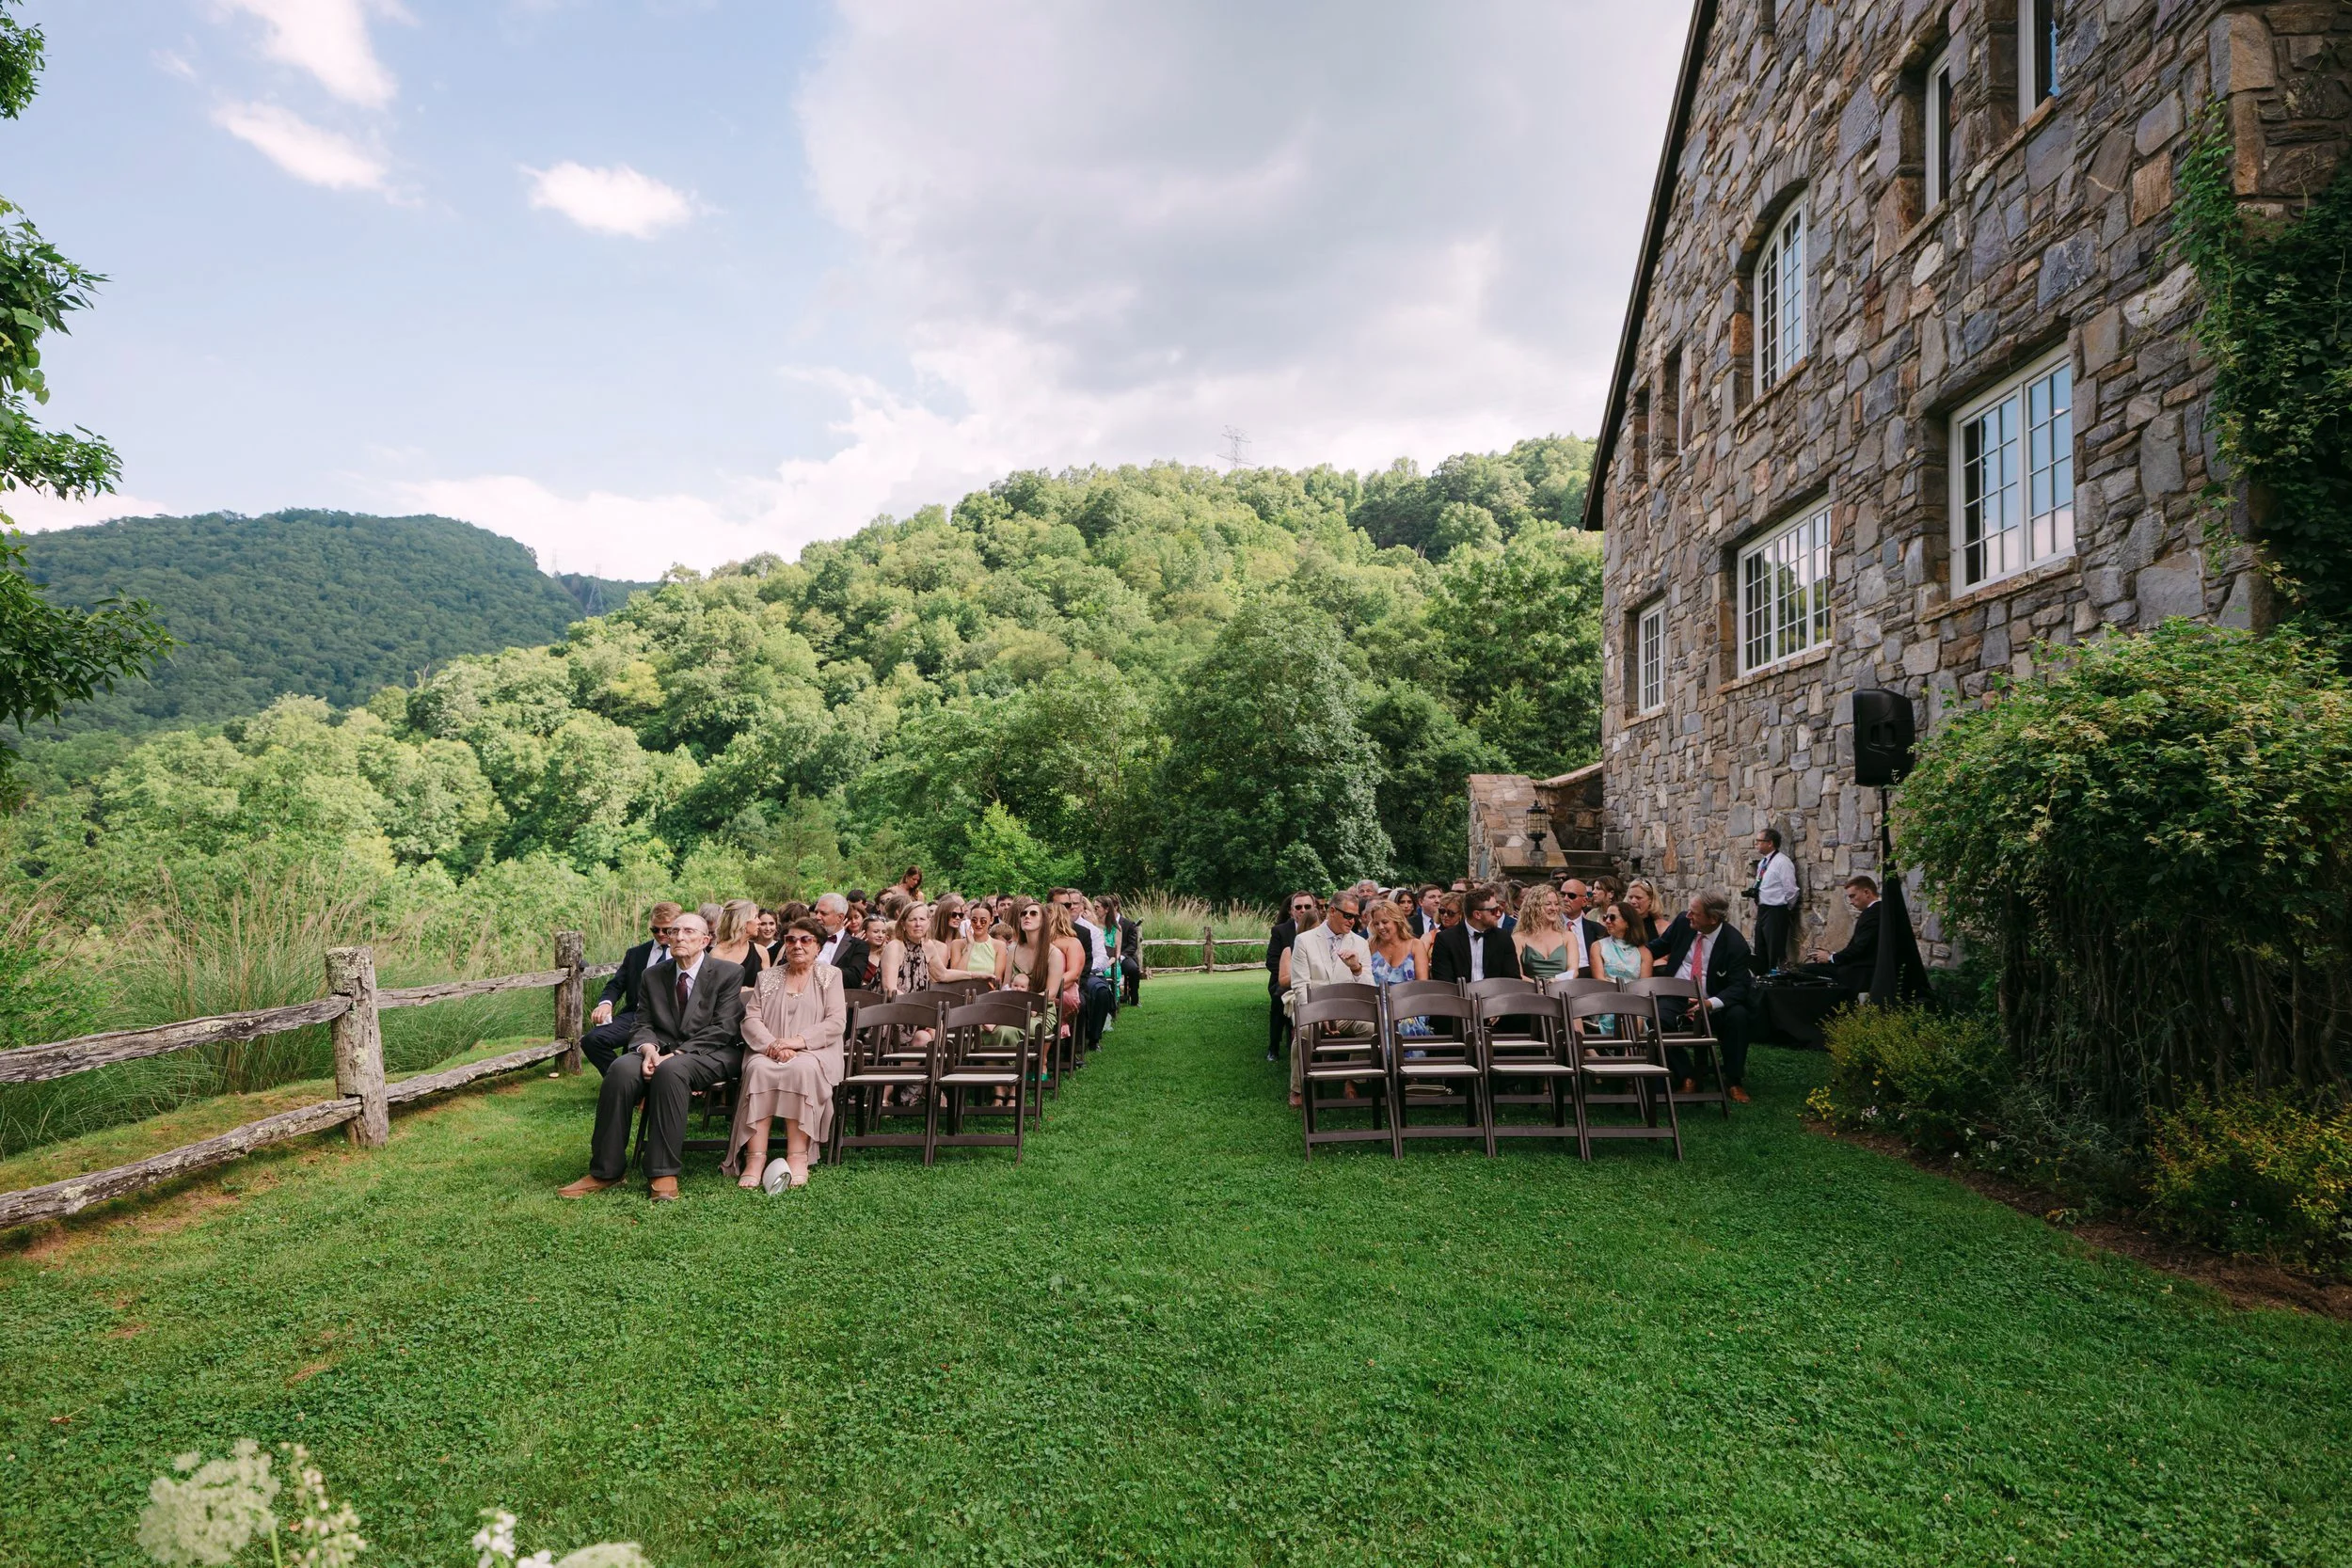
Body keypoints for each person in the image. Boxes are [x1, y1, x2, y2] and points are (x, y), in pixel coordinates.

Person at [559, 911, 744, 1202]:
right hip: (659, 1049)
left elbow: (724, 1028)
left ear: (705, 941)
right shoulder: (653, 975)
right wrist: (648, 1050)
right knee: (620, 1070)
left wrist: (676, 1054)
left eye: (688, 932)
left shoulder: (728, 973)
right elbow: (642, 1023)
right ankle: (606, 1171)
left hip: (712, 1051)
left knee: (672, 1072)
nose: (679, 936)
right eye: (674, 931)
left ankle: (662, 1171)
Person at [723, 917, 845, 1193]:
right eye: (791, 940)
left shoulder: (830, 976)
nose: (797, 945)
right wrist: (773, 1046)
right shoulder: (767, 978)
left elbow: (836, 1022)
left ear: (818, 947)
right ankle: (755, 1158)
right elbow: (751, 1019)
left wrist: (796, 1043)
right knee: (758, 1070)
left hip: (815, 1051)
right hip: (768, 1050)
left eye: (805, 940)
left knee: (801, 1070)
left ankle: (797, 1156)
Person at [1655, 891, 1756, 1101]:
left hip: (1713, 998)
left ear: (1713, 919)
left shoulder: (1735, 945)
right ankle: (1686, 1074)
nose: (1688, 916)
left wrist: (1709, 1003)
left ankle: (1734, 1079)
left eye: (1695, 913)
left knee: (1738, 1016)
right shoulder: (1684, 923)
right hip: (1676, 992)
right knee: (1657, 1017)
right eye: (1689, 910)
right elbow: (1659, 946)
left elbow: (1739, 986)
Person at [1281, 890, 1373, 1106]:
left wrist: (1357, 969)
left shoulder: (1360, 944)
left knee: (1371, 1027)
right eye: (1348, 915)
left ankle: (1352, 1079)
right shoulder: (1304, 940)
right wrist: (1317, 1015)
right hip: (1313, 1008)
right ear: (1332, 911)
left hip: (1347, 1011)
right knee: (1303, 1031)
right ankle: (1298, 1087)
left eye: (1356, 917)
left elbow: (1369, 990)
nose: (1353, 921)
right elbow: (1300, 986)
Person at [581, 903, 679, 1073]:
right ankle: (624, 1081)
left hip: (674, 1019)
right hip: (638, 1014)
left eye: (667, 930)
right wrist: (606, 1003)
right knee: (592, 1040)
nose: (661, 934)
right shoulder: (636, 953)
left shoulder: (689, 954)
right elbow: (616, 984)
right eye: (655, 930)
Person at [1363, 901, 1432, 1041]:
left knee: (1405, 1025)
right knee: (1381, 1024)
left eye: (1385, 922)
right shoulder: (1370, 945)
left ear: (1397, 921)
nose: (1381, 927)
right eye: (1376, 924)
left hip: (1410, 1007)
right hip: (1377, 1008)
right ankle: (1384, 1062)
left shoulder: (1415, 945)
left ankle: (1402, 1062)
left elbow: (1422, 986)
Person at [1803, 875, 1883, 991]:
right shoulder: (1877, 911)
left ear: (1866, 892)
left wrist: (1831, 957)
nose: (1851, 902)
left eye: (1853, 896)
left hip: (1862, 970)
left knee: (1806, 971)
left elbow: (1861, 948)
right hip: (1862, 965)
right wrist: (1832, 955)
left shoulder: (1872, 914)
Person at [1430, 887, 1520, 986]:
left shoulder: (1503, 938)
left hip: (1495, 998)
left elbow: (1512, 979)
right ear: (1477, 914)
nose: (1498, 914)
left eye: (1499, 908)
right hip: (1458, 998)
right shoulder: (1446, 939)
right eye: (1493, 910)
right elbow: (1444, 982)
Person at [1265, 892, 1316, 1063]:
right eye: (1299, 907)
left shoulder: (1321, 930)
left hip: (1312, 980)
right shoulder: (1280, 931)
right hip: (1284, 981)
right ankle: (1273, 1046)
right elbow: (1271, 961)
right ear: (1291, 910)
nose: (1303, 910)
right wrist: (1293, 974)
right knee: (1278, 999)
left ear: (1314, 908)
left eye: (1307, 907)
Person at [1749, 827, 1801, 974]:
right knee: (1760, 947)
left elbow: (1791, 889)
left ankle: (1774, 980)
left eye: (1759, 841)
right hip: (1763, 909)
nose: (1756, 844)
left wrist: (1785, 908)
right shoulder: (1763, 863)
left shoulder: (1782, 862)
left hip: (1776, 910)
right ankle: (1762, 978)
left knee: (1775, 950)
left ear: (1770, 843)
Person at [1512, 883, 1581, 983]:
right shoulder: (1519, 938)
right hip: (1530, 991)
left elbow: (1573, 970)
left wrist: (1556, 981)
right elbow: (1517, 974)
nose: (1554, 908)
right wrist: (1539, 985)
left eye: (1556, 904)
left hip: (1562, 989)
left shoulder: (1568, 937)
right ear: (1534, 907)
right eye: (1548, 904)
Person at [711, 898, 766, 992]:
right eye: (755, 917)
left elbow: (768, 988)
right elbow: (713, 991)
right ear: (742, 921)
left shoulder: (761, 951)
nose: (759, 922)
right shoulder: (717, 955)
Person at [1593, 903, 1654, 982]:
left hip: (1635, 993)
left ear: (1627, 922)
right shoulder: (1598, 947)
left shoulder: (1644, 953)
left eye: (1612, 917)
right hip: (1607, 992)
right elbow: (1599, 980)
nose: (1607, 921)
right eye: (1605, 917)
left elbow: (1644, 985)